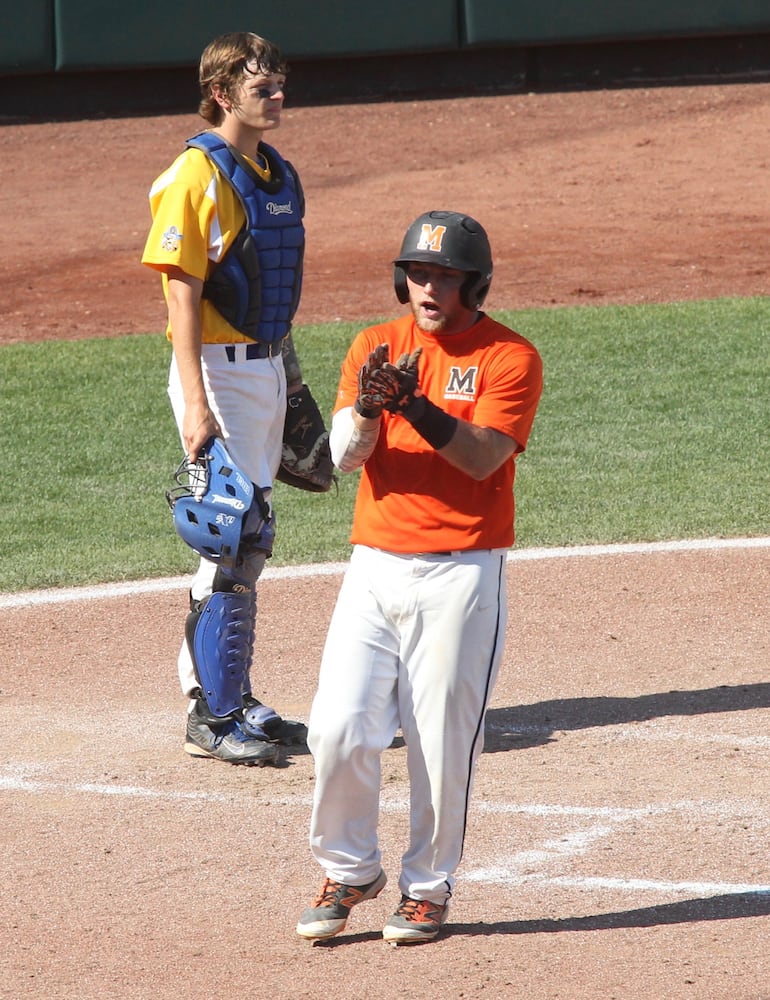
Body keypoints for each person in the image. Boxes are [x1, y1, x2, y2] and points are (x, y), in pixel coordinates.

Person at [295, 210, 544, 944]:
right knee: (338, 728)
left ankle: (427, 889)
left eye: (445, 276)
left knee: (440, 738)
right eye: (419, 273)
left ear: (476, 283)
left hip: (463, 571)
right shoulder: (374, 345)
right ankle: (348, 869)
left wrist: (416, 405)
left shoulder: (509, 357)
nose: (429, 287)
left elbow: (480, 458)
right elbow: (343, 458)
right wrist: (371, 408)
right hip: (373, 565)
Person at [142, 31, 330, 766]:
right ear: (222, 92)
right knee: (229, 531)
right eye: (263, 84)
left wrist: (289, 376)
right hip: (216, 372)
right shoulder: (195, 175)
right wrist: (196, 403)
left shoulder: (274, 171)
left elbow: (272, 294)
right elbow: (180, 296)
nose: (277, 93)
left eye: (281, 81)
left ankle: (231, 695)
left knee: (252, 536)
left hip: (264, 368)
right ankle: (209, 714)